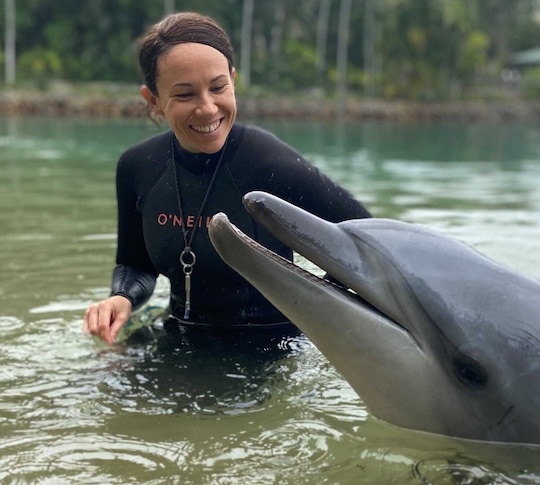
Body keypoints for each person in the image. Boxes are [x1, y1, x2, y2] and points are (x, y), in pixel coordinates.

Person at [83, 12, 371, 345]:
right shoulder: (138, 166)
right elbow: (135, 264)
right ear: (154, 101)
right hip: (177, 332)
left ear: (233, 80)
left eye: (218, 87)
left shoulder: (266, 162)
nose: (207, 109)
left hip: (267, 346)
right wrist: (121, 297)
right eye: (185, 95)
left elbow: (367, 238)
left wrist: (318, 305)